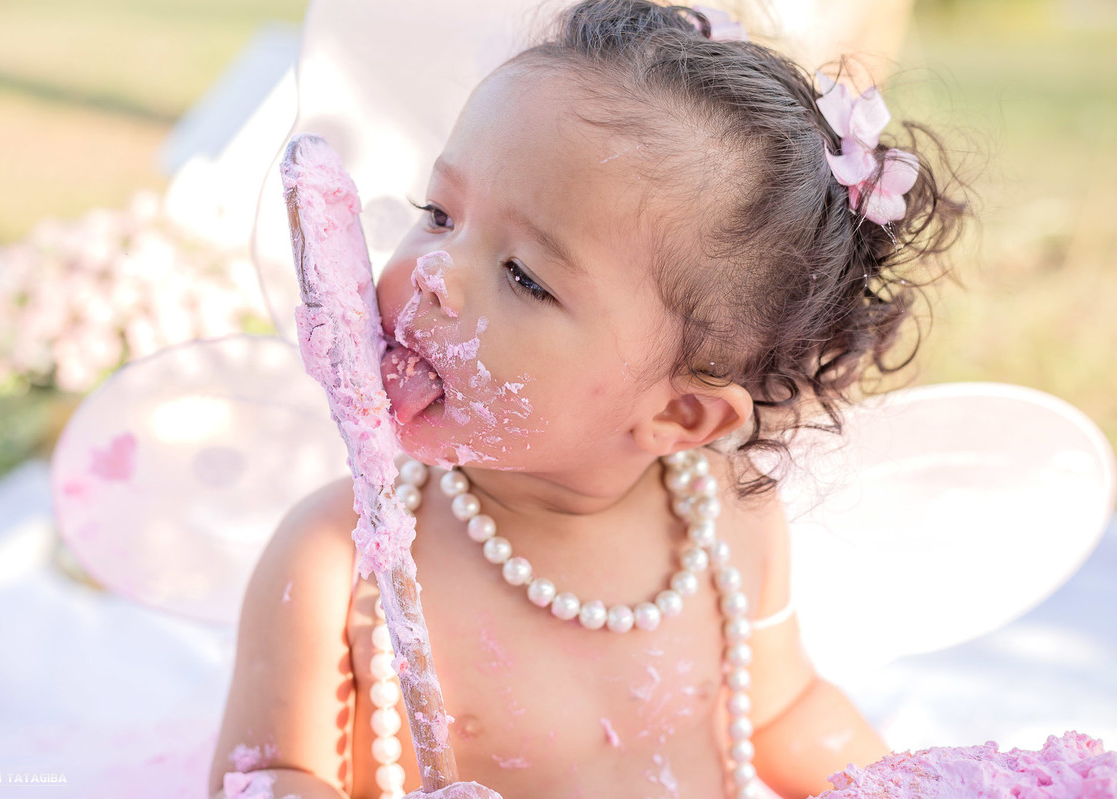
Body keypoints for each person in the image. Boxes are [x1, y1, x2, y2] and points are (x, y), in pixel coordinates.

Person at [209, 1, 967, 797]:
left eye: (526, 277)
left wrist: (901, 783)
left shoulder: (728, 525)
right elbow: (266, 774)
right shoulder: (339, 555)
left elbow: (786, 713)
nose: (436, 273)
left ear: (681, 416)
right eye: (440, 214)